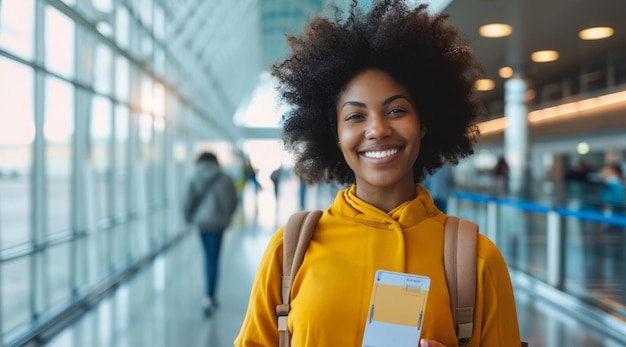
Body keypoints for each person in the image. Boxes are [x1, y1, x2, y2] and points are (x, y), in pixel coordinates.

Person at [235, 1, 521, 346]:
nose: (378, 129)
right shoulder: (291, 250)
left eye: (396, 110)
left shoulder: (476, 259)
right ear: (335, 136)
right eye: (356, 116)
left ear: (424, 123)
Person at [183, 152, 238, 317]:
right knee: (213, 258)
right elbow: (233, 201)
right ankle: (210, 296)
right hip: (218, 223)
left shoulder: (195, 177)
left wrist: (188, 219)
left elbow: (188, 201)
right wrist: (227, 215)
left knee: (208, 257)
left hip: (201, 223)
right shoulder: (225, 179)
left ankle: (209, 295)